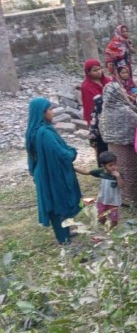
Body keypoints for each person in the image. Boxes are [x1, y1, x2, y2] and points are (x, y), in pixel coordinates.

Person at [25, 98, 83, 244]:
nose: (52, 112)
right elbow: (61, 154)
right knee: (58, 202)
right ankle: (63, 238)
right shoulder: (44, 133)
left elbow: (32, 157)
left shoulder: (34, 131)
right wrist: (72, 153)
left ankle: (66, 231)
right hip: (52, 173)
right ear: (42, 113)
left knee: (56, 201)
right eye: (50, 109)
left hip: (44, 171)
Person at [100, 81, 137, 209]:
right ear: (117, 94)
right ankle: (134, 199)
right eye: (121, 90)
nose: (124, 91)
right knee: (131, 172)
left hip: (113, 147)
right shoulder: (123, 110)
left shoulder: (106, 109)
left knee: (117, 170)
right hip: (127, 148)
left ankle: (123, 197)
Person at [75, 151, 124, 228]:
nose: (114, 167)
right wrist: (74, 168)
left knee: (114, 220)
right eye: (110, 165)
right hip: (102, 200)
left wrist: (118, 177)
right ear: (103, 166)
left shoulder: (118, 174)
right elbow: (86, 172)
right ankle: (105, 226)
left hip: (113, 201)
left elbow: (122, 186)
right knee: (101, 217)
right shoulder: (100, 172)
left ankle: (111, 228)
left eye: (115, 164)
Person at [80, 59, 111, 126]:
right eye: (95, 70)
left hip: (111, 113)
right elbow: (89, 106)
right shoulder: (86, 87)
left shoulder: (107, 81)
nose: (99, 72)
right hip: (98, 116)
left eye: (99, 69)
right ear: (88, 72)